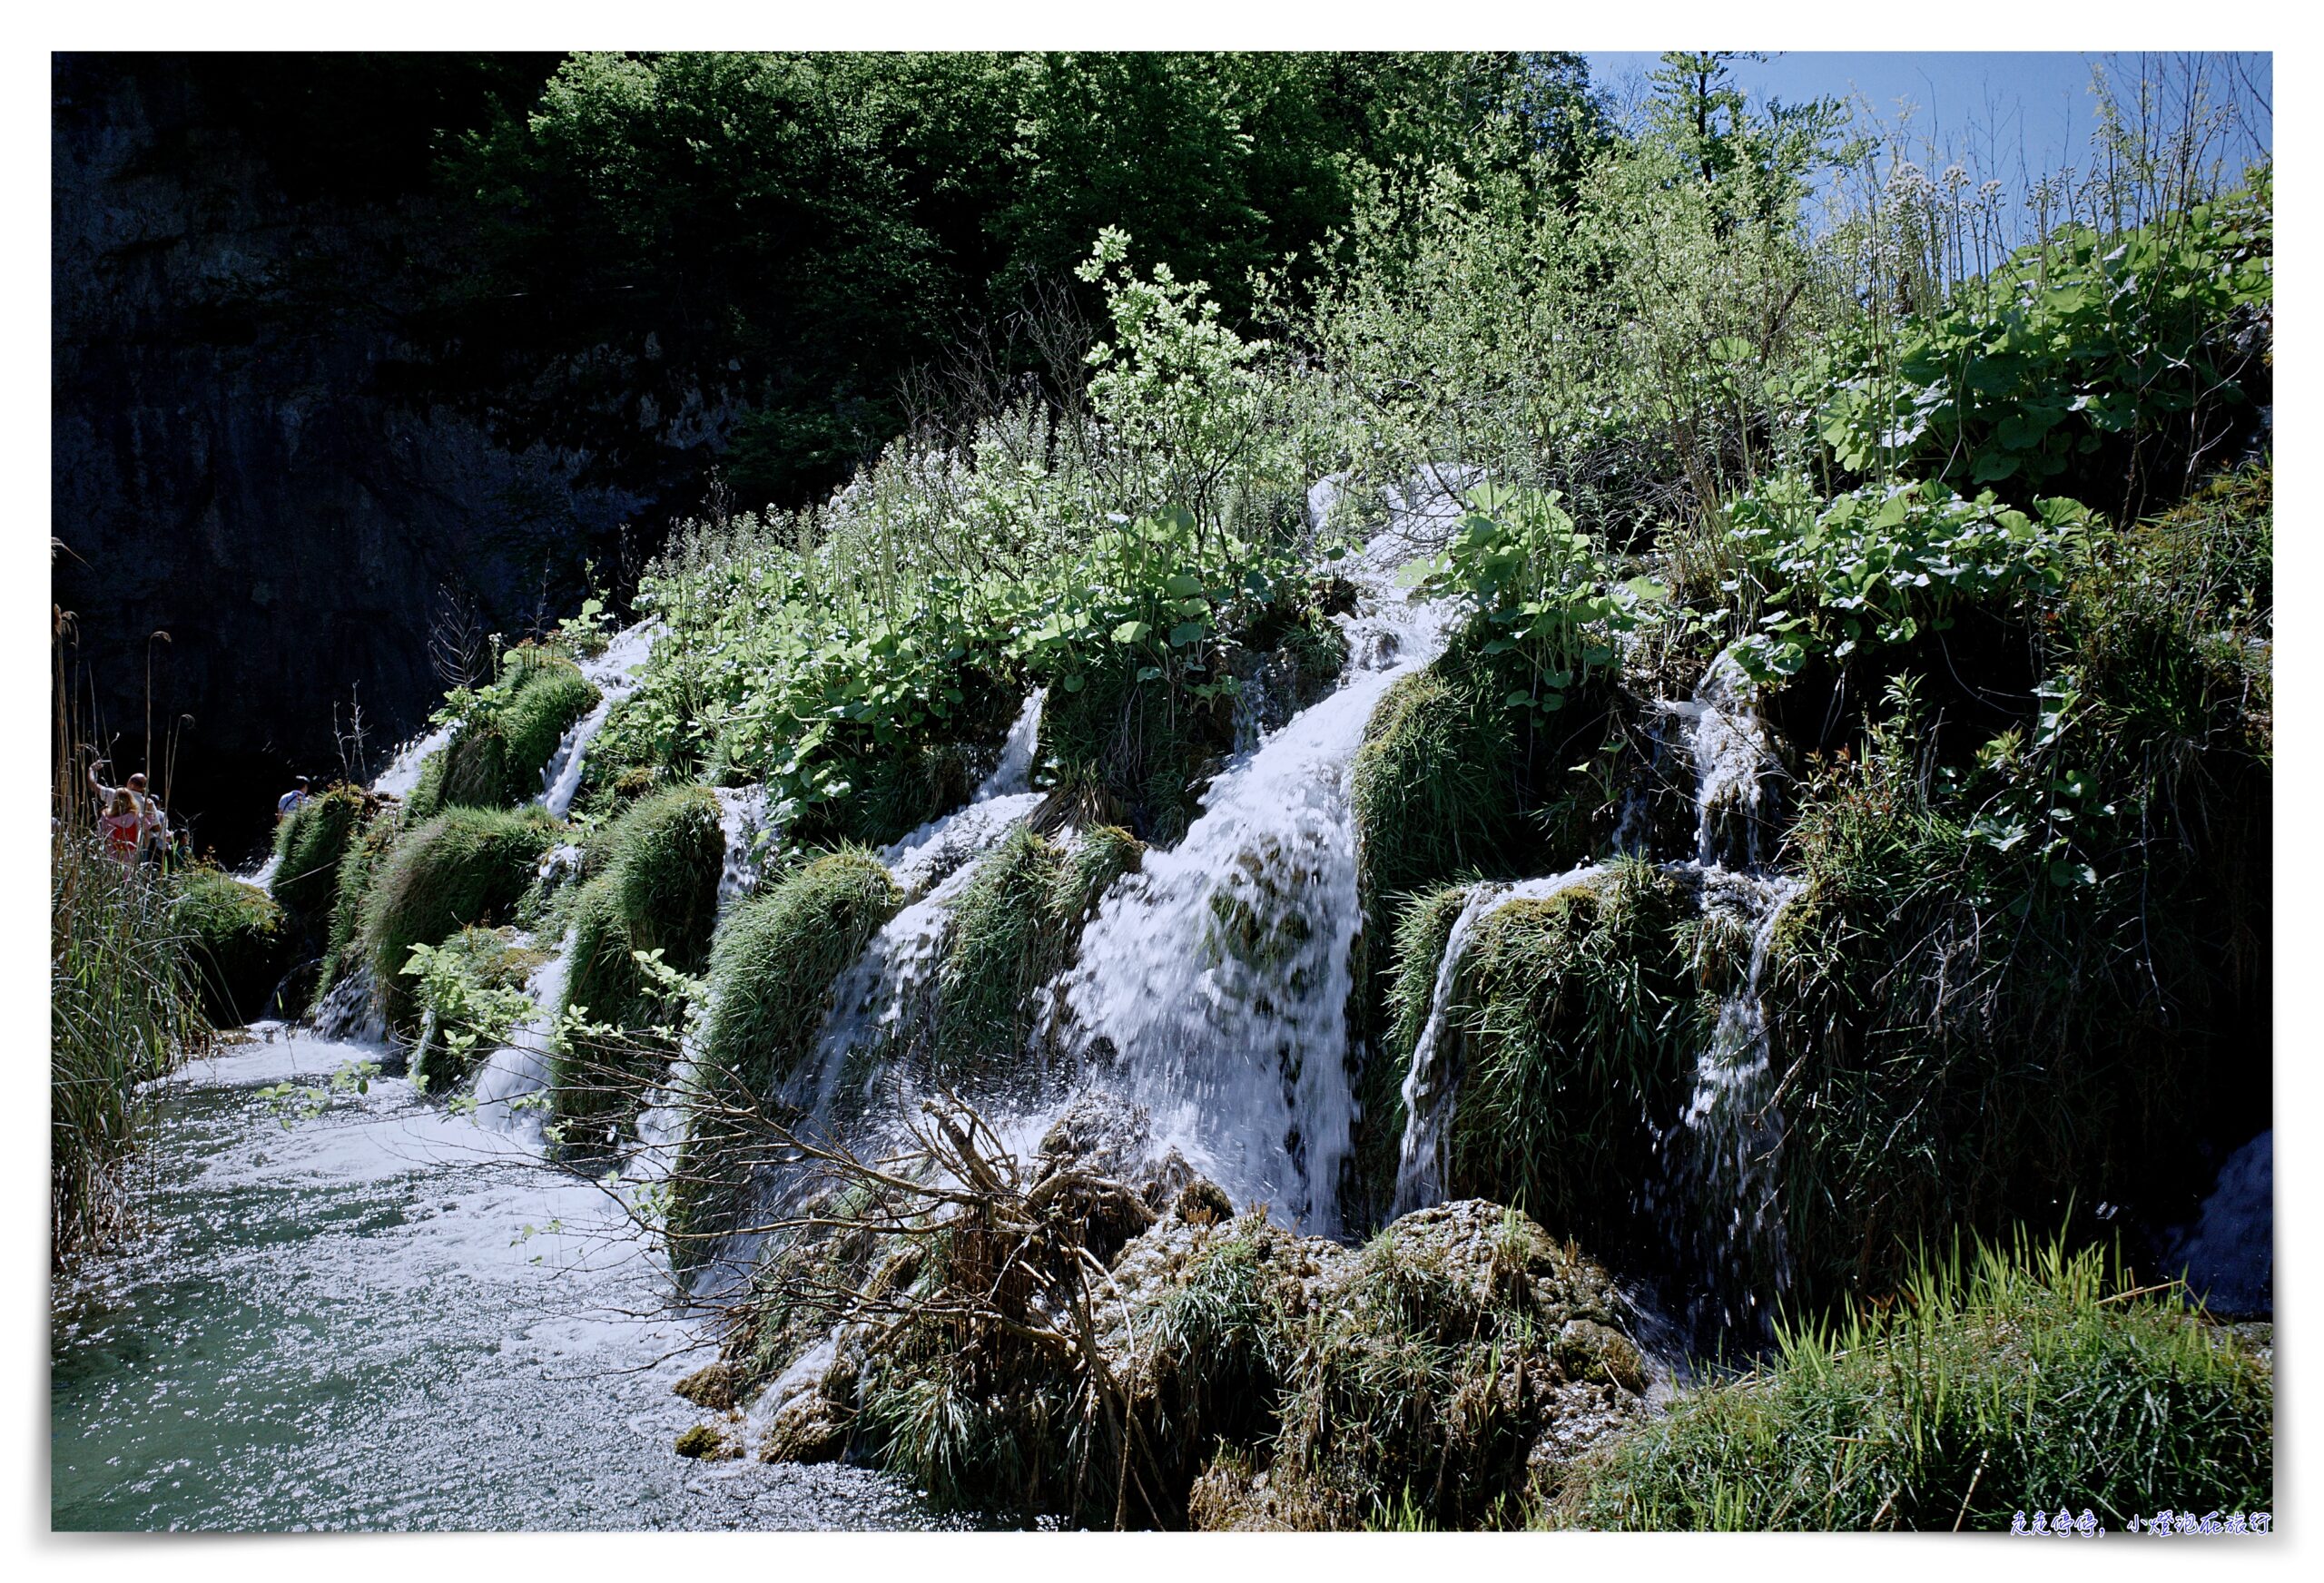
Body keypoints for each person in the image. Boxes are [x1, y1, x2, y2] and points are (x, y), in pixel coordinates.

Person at [86, 755, 153, 854]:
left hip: (111, 849)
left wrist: (91, 769)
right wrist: (150, 811)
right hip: (131, 850)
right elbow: (152, 826)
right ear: (143, 788)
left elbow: (93, 785)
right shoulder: (146, 804)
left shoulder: (113, 795)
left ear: (130, 783)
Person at [96, 787, 143, 861]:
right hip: (130, 851)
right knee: (127, 871)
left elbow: (100, 832)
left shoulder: (106, 816)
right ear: (130, 799)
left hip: (111, 850)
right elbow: (147, 825)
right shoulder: (135, 815)